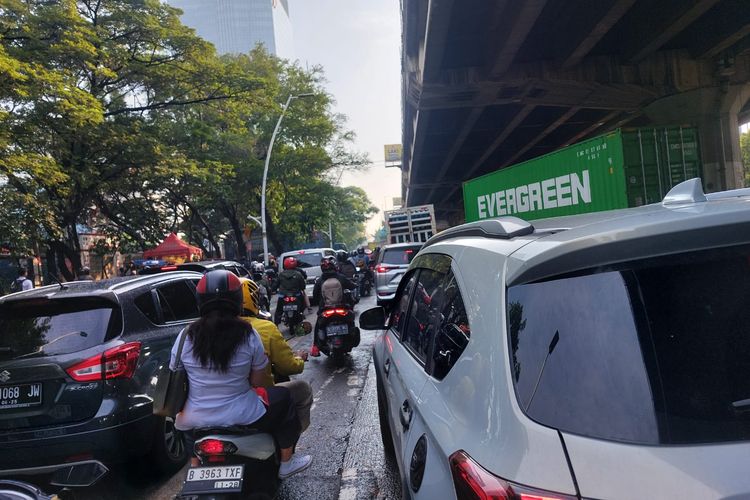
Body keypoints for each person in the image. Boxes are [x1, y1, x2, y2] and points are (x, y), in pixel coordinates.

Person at [170, 269, 312, 478]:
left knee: (190, 437)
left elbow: (177, 375)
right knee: (284, 397)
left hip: (193, 418)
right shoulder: (248, 333)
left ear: (200, 301)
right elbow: (256, 381)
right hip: (243, 414)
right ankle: (286, 463)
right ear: (237, 300)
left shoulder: (185, 335)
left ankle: (195, 469)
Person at [239, 278, 313, 432]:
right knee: (303, 390)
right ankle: (288, 447)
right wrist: (299, 358)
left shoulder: (193, 334)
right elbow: (287, 366)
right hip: (251, 402)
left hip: (202, 414)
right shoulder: (260, 329)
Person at [310, 258, 356, 357]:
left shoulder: (320, 280)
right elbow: (352, 286)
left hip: (325, 309)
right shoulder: (340, 277)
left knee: (318, 325)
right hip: (342, 307)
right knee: (351, 321)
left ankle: (315, 348)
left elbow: (314, 296)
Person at [274, 257, 309, 324]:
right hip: (296, 295)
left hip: (283, 295)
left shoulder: (281, 274)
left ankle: (276, 324)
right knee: (303, 304)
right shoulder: (298, 274)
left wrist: (273, 290)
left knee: (279, 311)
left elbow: (276, 284)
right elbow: (303, 286)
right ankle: (300, 315)